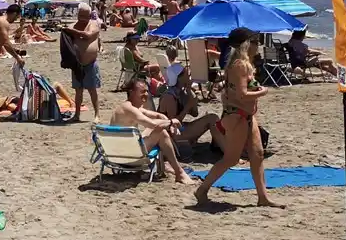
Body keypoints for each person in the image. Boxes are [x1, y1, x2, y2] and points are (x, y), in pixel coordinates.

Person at [195, 28, 280, 207]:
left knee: (257, 155)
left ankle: (263, 197)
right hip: (237, 116)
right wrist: (262, 92)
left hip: (246, 116)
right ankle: (202, 189)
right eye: (256, 42)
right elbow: (242, 94)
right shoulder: (240, 65)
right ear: (247, 44)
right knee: (231, 159)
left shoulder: (245, 64)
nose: (259, 46)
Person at [110, 78, 205, 184]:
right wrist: (171, 122)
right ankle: (179, 173)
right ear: (131, 92)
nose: (146, 94)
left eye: (147, 91)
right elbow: (152, 124)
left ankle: (167, 165)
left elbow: (156, 115)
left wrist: (168, 122)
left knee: (158, 129)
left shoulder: (128, 107)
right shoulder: (129, 109)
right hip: (126, 158)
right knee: (161, 133)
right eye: (142, 92)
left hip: (118, 154)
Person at [61, 3, 103, 121]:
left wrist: (72, 31)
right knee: (78, 90)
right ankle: (77, 115)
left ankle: (97, 115)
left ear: (89, 15)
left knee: (92, 89)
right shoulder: (72, 26)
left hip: (90, 63)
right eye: (81, 16)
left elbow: (88, 35)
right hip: (77, 64)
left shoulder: (93, 25)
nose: (83, 19)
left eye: (85, 16)